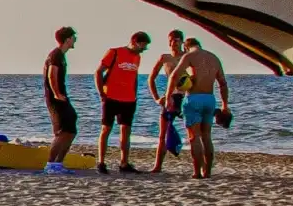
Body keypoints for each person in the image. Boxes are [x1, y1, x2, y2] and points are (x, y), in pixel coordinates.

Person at [93, 30, 149, 172]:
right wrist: (101, 93)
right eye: (143, 45)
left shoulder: (137, 57)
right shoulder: (115, 52)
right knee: (106, 129)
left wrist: (135, 95)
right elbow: (98, 72)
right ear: (135, 42)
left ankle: (124, 163)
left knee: (126, 131)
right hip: (111, 97)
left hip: (129, 100)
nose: (144, 49)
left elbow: (134, 77)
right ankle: (101, 162)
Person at [177, 38, 228, 178]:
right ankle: (207, 172)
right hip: (210, 99)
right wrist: (225, 105)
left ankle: (196, 173)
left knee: (194, 137)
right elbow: (223, 84)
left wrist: (169, 94)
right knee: (206, 136)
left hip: (193, 98)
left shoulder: (189, 56)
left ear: (186, 47)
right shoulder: (214, 58)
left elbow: (175, 76)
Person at [148, 29, 190, 175]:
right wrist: (156, 98)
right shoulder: (164, 58)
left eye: (177, 40)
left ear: (182, 41)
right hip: (170, 98)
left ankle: (199, 167)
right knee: (163, 134)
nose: (173, 43)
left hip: (185, 97)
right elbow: (151, 78)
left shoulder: (187, 57)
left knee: (194, 133)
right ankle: (157, 166)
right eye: (171, 40)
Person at [42, 25, 78, 173]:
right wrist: (56, 93)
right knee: (62, 131)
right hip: (55, 99)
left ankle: (58, 163)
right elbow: (52, 74)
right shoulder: (56, 54)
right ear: (67, 39)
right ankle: (50, 165)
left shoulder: (61, 55)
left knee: (71, 129)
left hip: (62, 97)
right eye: (74, 37)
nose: (75, 39)